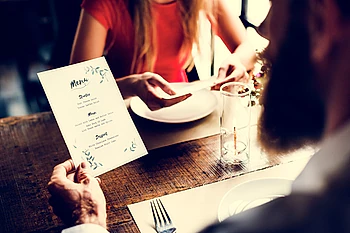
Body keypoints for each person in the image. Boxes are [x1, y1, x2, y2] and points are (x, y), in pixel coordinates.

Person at [48, 0, 350, 232]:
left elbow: (249, 44)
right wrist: (130, 86)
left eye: (273, 5)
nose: (266, 31)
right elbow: (77, 84)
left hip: (191, 132)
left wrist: (86, 222)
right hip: (120, 132)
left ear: (324, 20)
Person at [70, 0, 256, 110]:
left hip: (184, 107)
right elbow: (78, 87)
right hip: (121, 110)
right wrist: (131, 86)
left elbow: (248, 48)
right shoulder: (105, 3)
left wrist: (237, 61)